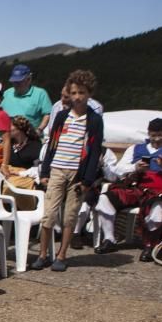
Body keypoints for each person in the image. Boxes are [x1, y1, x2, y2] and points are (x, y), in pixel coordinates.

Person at [32, 71, 104, 271]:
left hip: (77, 174)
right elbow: (52, 144)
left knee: (70, 216)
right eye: (74, 92)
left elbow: (94, 151)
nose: (78, 97)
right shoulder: (62, 116)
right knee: (49, 215)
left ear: (89, 94)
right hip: (57, 169)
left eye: (82, 92)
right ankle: (43, 254)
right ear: (69, 94)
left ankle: (62, 255)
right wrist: (45, 171)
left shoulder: (94, 120)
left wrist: (88, 180)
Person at [94, 117, 162, 261]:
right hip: (136, 188)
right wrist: (135, 167)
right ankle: (109, 239)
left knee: (156, 211)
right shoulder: (135, 149)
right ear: (148, 134)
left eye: (161, 135)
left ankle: (150, 244)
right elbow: (118, 170)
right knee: (105, 199)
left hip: (160, 191)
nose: (157, 139)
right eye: (153, 135)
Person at [1, 64, 52, 131]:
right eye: (14, 82)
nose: (16, 84)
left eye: (19, 82)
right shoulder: (7, 93)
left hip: (30, 137)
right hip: (8, 135)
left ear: (28, 79)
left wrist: (39, 129)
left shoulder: (40, 93)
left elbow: (47, 114)